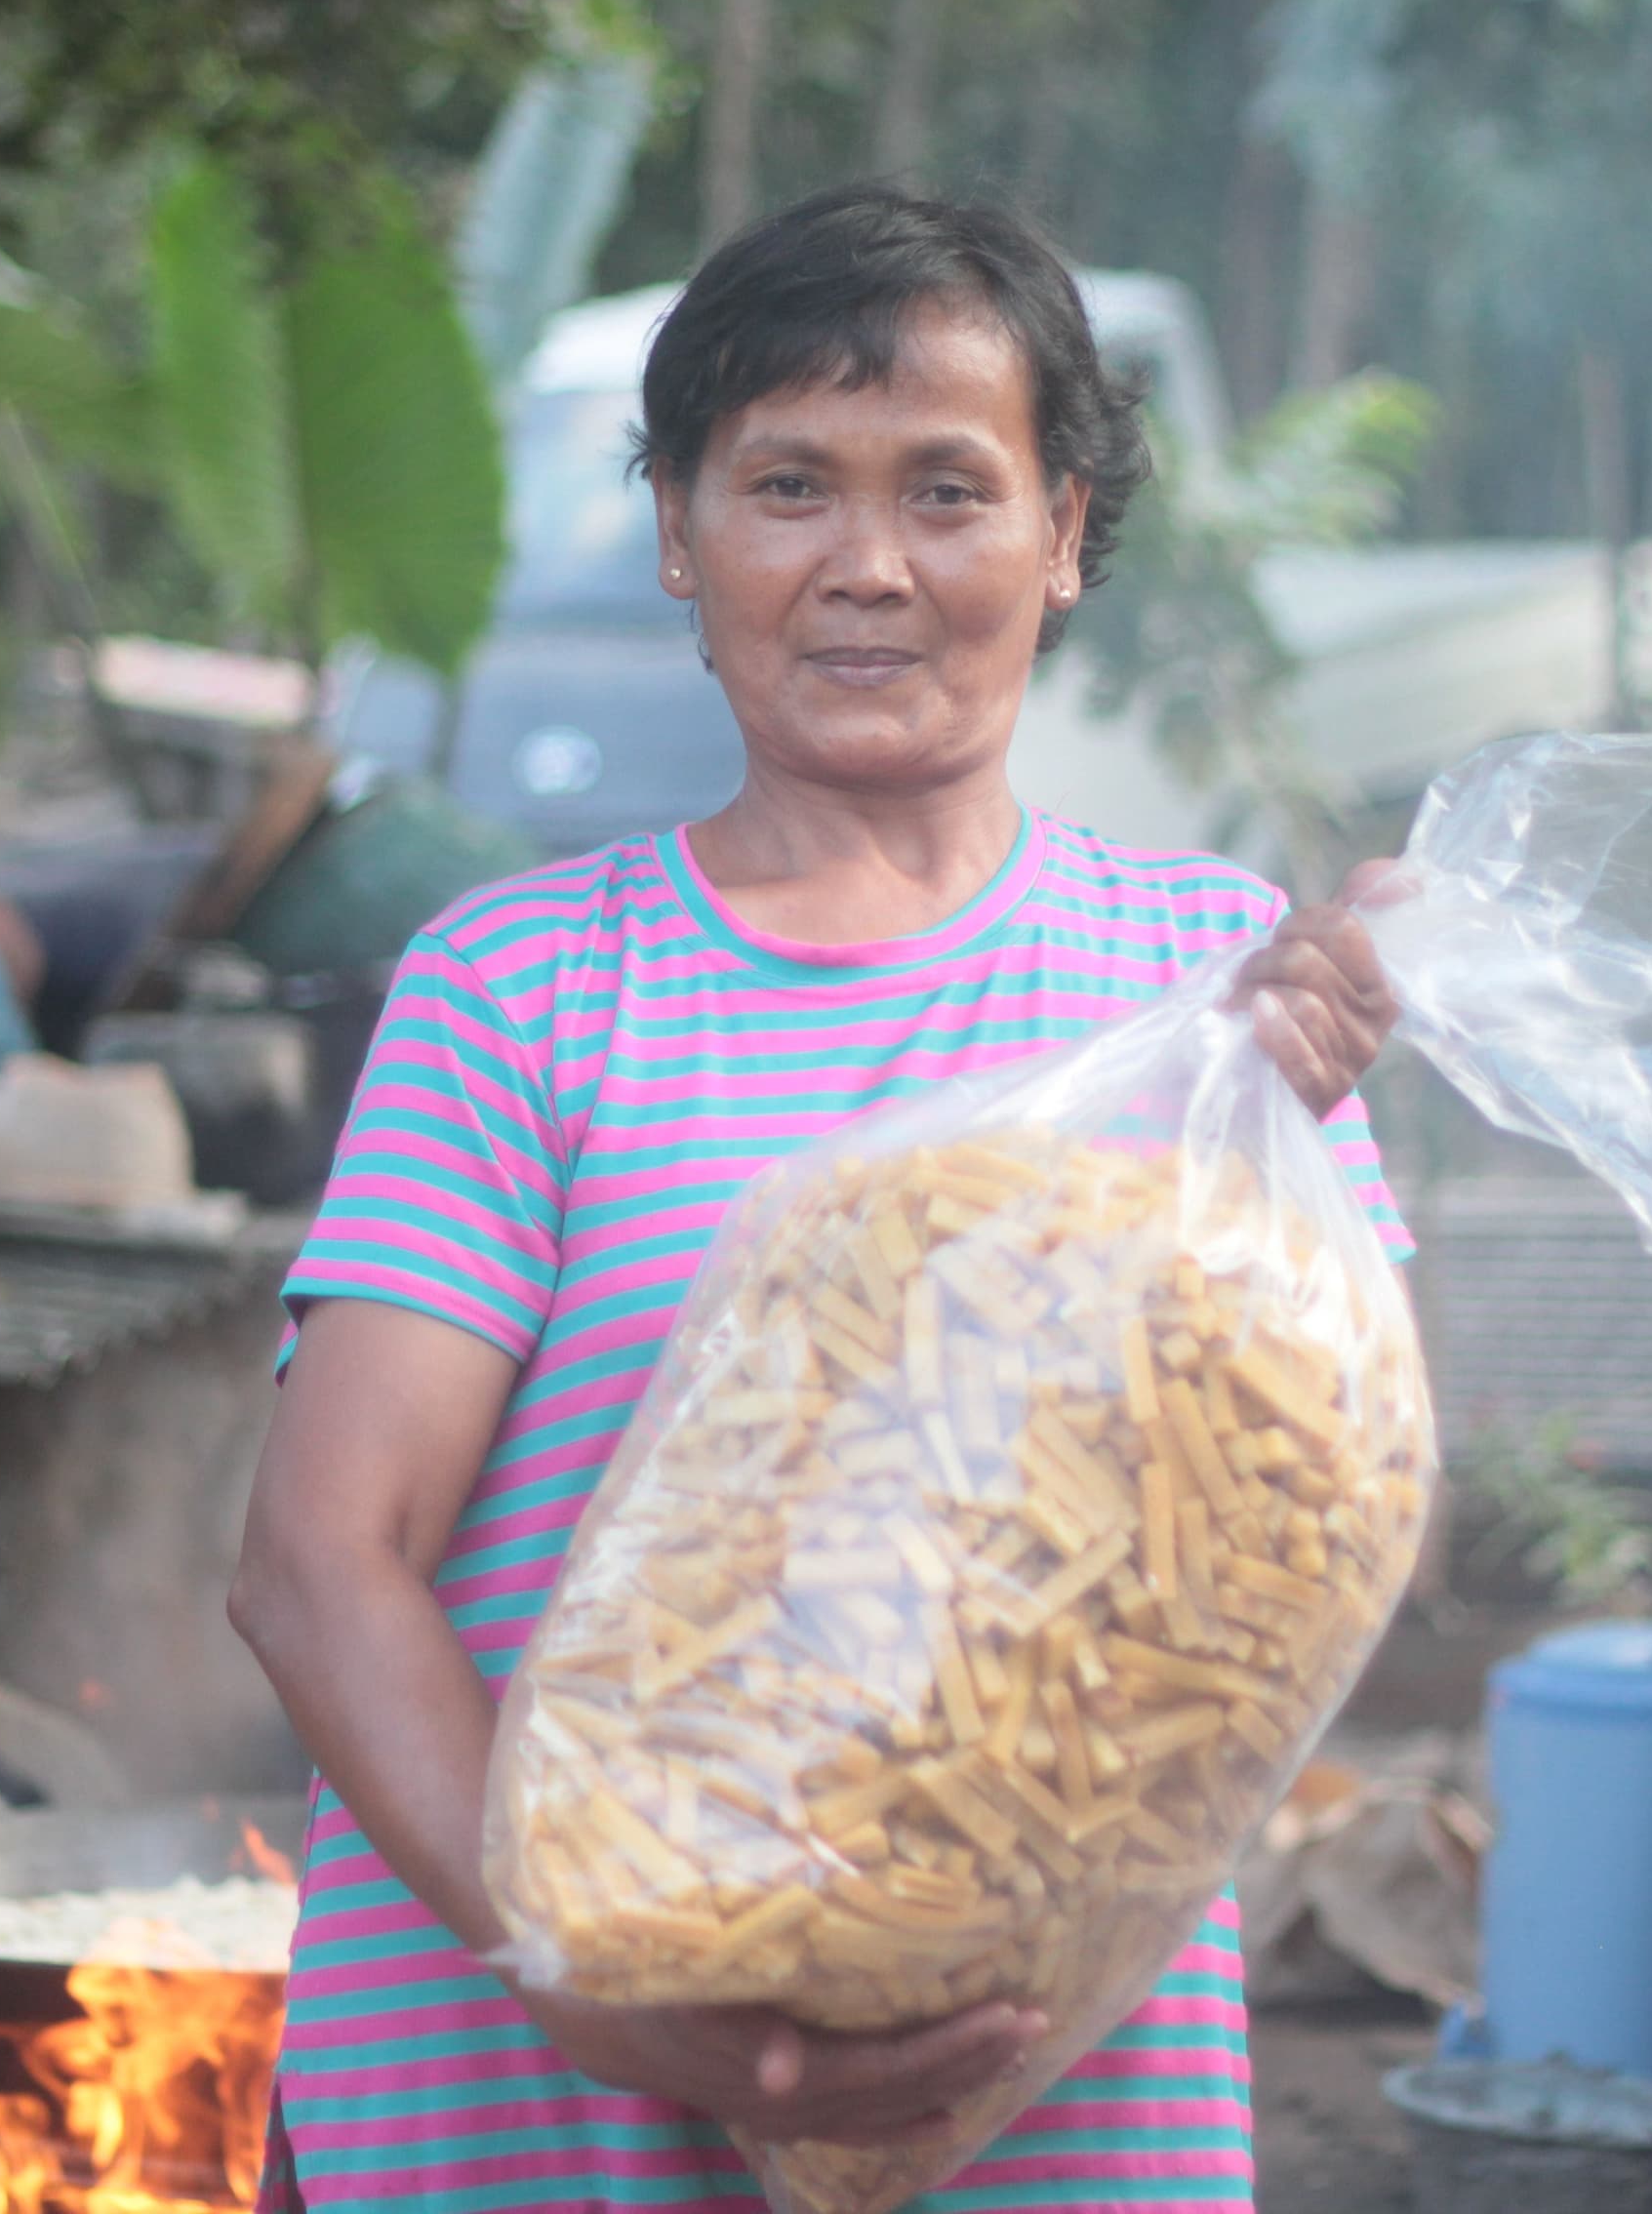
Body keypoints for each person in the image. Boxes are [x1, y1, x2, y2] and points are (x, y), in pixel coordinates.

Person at [227, 185, 1408, 2213]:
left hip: (1051, 2137)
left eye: (949, 488)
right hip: (524, 2125)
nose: (868, 563)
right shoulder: (525, 988)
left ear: (1064, 535)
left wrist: (1283, 1103)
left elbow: (1306, 1529)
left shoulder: (1214, 990)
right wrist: (589, 1978)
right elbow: (324, 1561)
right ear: (681, 533)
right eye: (788, 484)